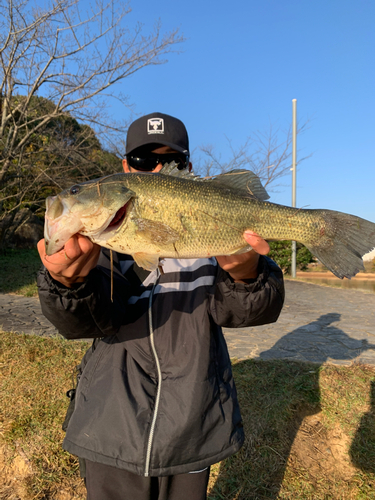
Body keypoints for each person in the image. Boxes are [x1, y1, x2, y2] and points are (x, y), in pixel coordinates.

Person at [37, 112, 285, 500]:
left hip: (193, 430)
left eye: (168, 161)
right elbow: (83, 323)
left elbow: (252, 311)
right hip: (109, 428)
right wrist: (67, 283)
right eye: (141, 161)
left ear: (187, 167)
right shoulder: (101, 245)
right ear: (123, 171)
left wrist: (247, 273)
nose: (154, 170)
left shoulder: (210, 250)